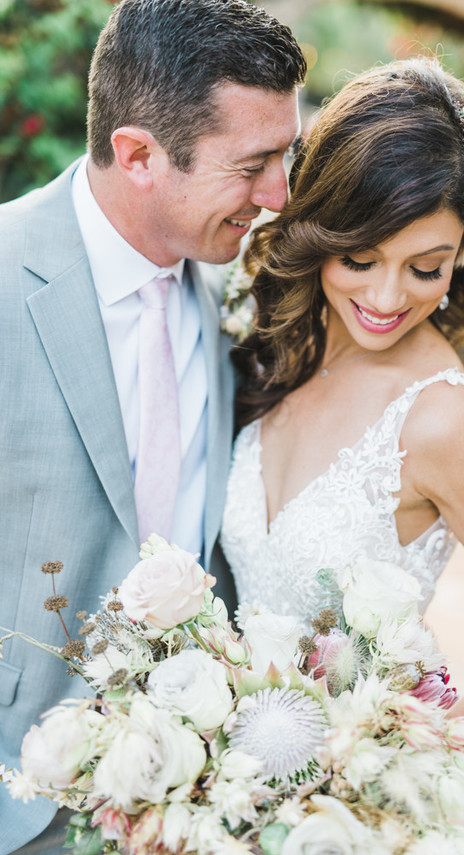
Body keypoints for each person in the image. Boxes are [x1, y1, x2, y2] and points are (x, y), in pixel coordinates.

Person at [0, 0, 305, 851]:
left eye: (287, 156)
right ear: (137, 154)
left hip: (182, 802)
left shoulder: (225, 293)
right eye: (253, 165)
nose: (278, 196)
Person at [222, 58, 464, 745]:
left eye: (426, 268)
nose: (386, 300)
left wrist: (414, 760)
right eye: (359, 258)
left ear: (462, 254)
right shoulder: (279, 345)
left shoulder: (440, 422)